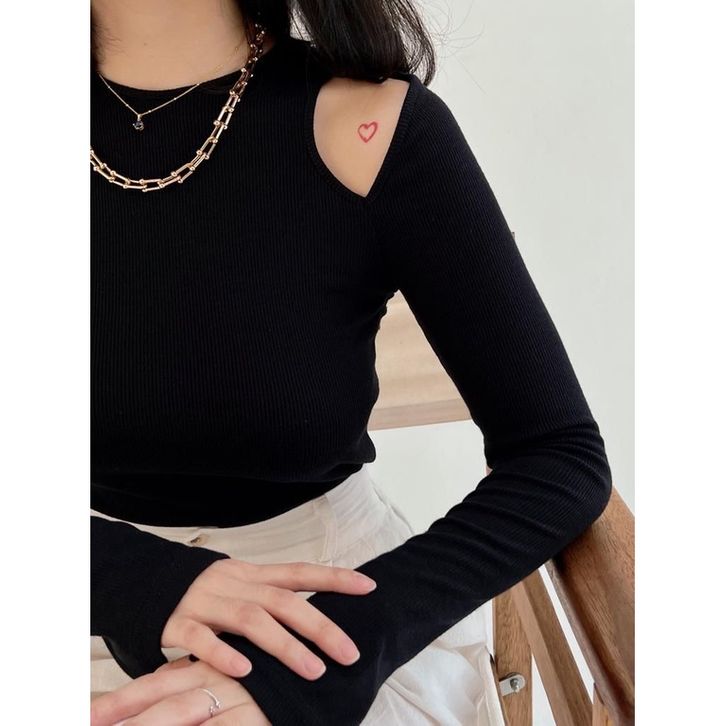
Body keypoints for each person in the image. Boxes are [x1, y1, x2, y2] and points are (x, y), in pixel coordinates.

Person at [89, 1, 613, 724]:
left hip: (333, 615)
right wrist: (126, 578)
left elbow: (559, 455)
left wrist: (337, 650)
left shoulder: (370, 128)